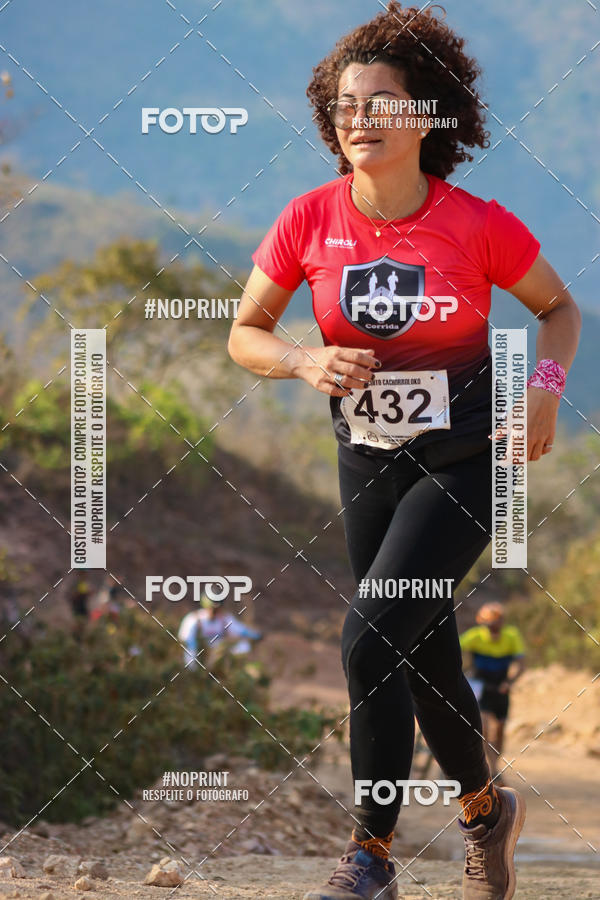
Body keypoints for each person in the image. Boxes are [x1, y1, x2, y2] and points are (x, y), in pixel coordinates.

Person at [227, 4, 581, 898]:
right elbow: (245, 333)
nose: (359, 118)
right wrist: (303, 359)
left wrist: (544, 395)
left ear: (428, 117)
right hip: (368, 462)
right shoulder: (308, 220)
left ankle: (370, 855)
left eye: (381, 101)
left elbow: (561, 309)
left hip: (465, 461)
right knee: (418, 657)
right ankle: (485, 810)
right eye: (345, 104)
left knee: (364, 640)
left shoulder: (475, 224)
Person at [460, 603, 526, 785]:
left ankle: (494, 765)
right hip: (482, 688)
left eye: (495, 624)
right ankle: (492, 771)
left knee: (500, 730)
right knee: (484, 728)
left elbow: (521, 665)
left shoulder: (511, 636)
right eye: (488, 625)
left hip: (502, 688)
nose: (491, 629)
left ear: (501, 623)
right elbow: (451, 650)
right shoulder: (474, 637)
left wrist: (510, 682)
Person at [177, 597, 262, 668]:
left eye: (218, 609)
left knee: (244, 646)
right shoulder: (194, 619)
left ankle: (235, 671)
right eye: (213, 609)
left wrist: (255, 635)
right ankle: (193, 673)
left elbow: (241, 630)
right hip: (199, 651)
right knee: (190, 652)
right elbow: (185, 639)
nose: (215, 612)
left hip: (217, 651)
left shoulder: (224, 618)